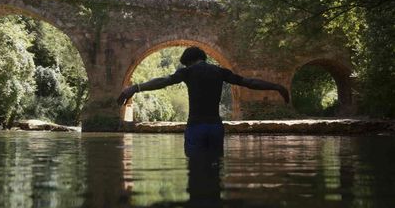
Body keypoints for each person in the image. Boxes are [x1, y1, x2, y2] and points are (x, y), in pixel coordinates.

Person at [117, 46, 289, 157]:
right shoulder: (220, 72)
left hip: (196, 127)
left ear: (190, 61)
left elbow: (163, 81)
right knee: (214, 167)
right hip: (215, 127)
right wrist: (276, 87)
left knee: (195, 169)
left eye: (186, 64)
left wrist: (135, 88)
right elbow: (249, 82)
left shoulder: (188, 72)